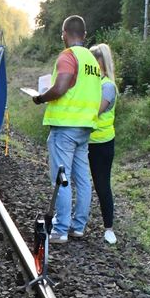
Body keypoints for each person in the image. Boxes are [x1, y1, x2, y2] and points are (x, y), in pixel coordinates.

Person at [32, 16, 101, 244]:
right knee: (82, 178)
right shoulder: (91, 59)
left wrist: (41, 97)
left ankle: (61, 229)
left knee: (61, 178)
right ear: (84, 33)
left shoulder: (68, 56)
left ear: (64, 33)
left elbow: (61, 87)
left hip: (65, 127)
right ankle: (78, 226)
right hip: (85, 127)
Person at [88, 43, 117, 245]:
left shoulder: (107, 86)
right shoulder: (91, 84)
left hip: (102, 143)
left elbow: (94, 111)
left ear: (103, 64)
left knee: (101, 184)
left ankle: (109, 228)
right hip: (86, 140)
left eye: (94, 63)